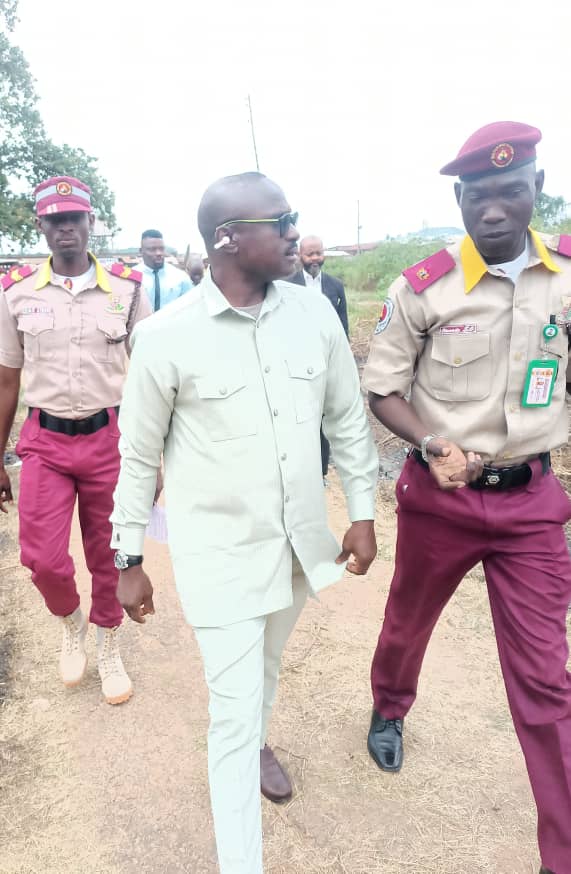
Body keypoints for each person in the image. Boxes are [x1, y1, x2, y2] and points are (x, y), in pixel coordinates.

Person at [110, 171, 379, 874]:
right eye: (280, 220)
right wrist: (127, 560)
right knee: (232, 713)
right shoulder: (163, 338)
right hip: (219, 555)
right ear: (228, 238)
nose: (295, 232)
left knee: (264, 667)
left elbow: (346, 420)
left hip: (296, 549)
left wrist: (359, 513)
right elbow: (137, 458)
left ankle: (256, 737)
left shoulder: (313, 313)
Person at [362, 122, 571, 874]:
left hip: (531, 505)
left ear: (535, 191)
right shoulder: (421, 286)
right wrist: (429, 444)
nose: (492, 211)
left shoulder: (567, 276)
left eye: (509, 193)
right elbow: (382, 387)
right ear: (458, 198)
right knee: (407, 622)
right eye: (477, 197)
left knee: (547, 676)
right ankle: (389, 704)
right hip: (438, 498)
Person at [0, 175, 152, 705]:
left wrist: (152, 457)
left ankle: (109, 643)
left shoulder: (128, 290)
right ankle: (72, 623)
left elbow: (149, 377)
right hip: (44, 439)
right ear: (41, 227)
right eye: (54, 221)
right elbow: (7, 379)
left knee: (109, 554)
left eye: (75, 219)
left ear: (91, 223)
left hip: (109, 437)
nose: (66, 229)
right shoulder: (17, 292)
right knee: (42, 559)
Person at [289, 236, 349, 479]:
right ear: (300, 255)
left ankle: (321, 473)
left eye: (318, 253)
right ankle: (297, 470)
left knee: (323, 418)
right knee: (299, 417)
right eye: (309, 254)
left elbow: (343, 328)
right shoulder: (286, 285)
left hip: (326, 364)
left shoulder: (336, 286)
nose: (314, 259)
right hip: (295, 365)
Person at [135, 229, 192, 311]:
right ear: (141, 251)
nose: (159, 253)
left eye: (161, 249)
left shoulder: (180, 277)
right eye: (152, 249)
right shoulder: (131, 277)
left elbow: (190, 307)